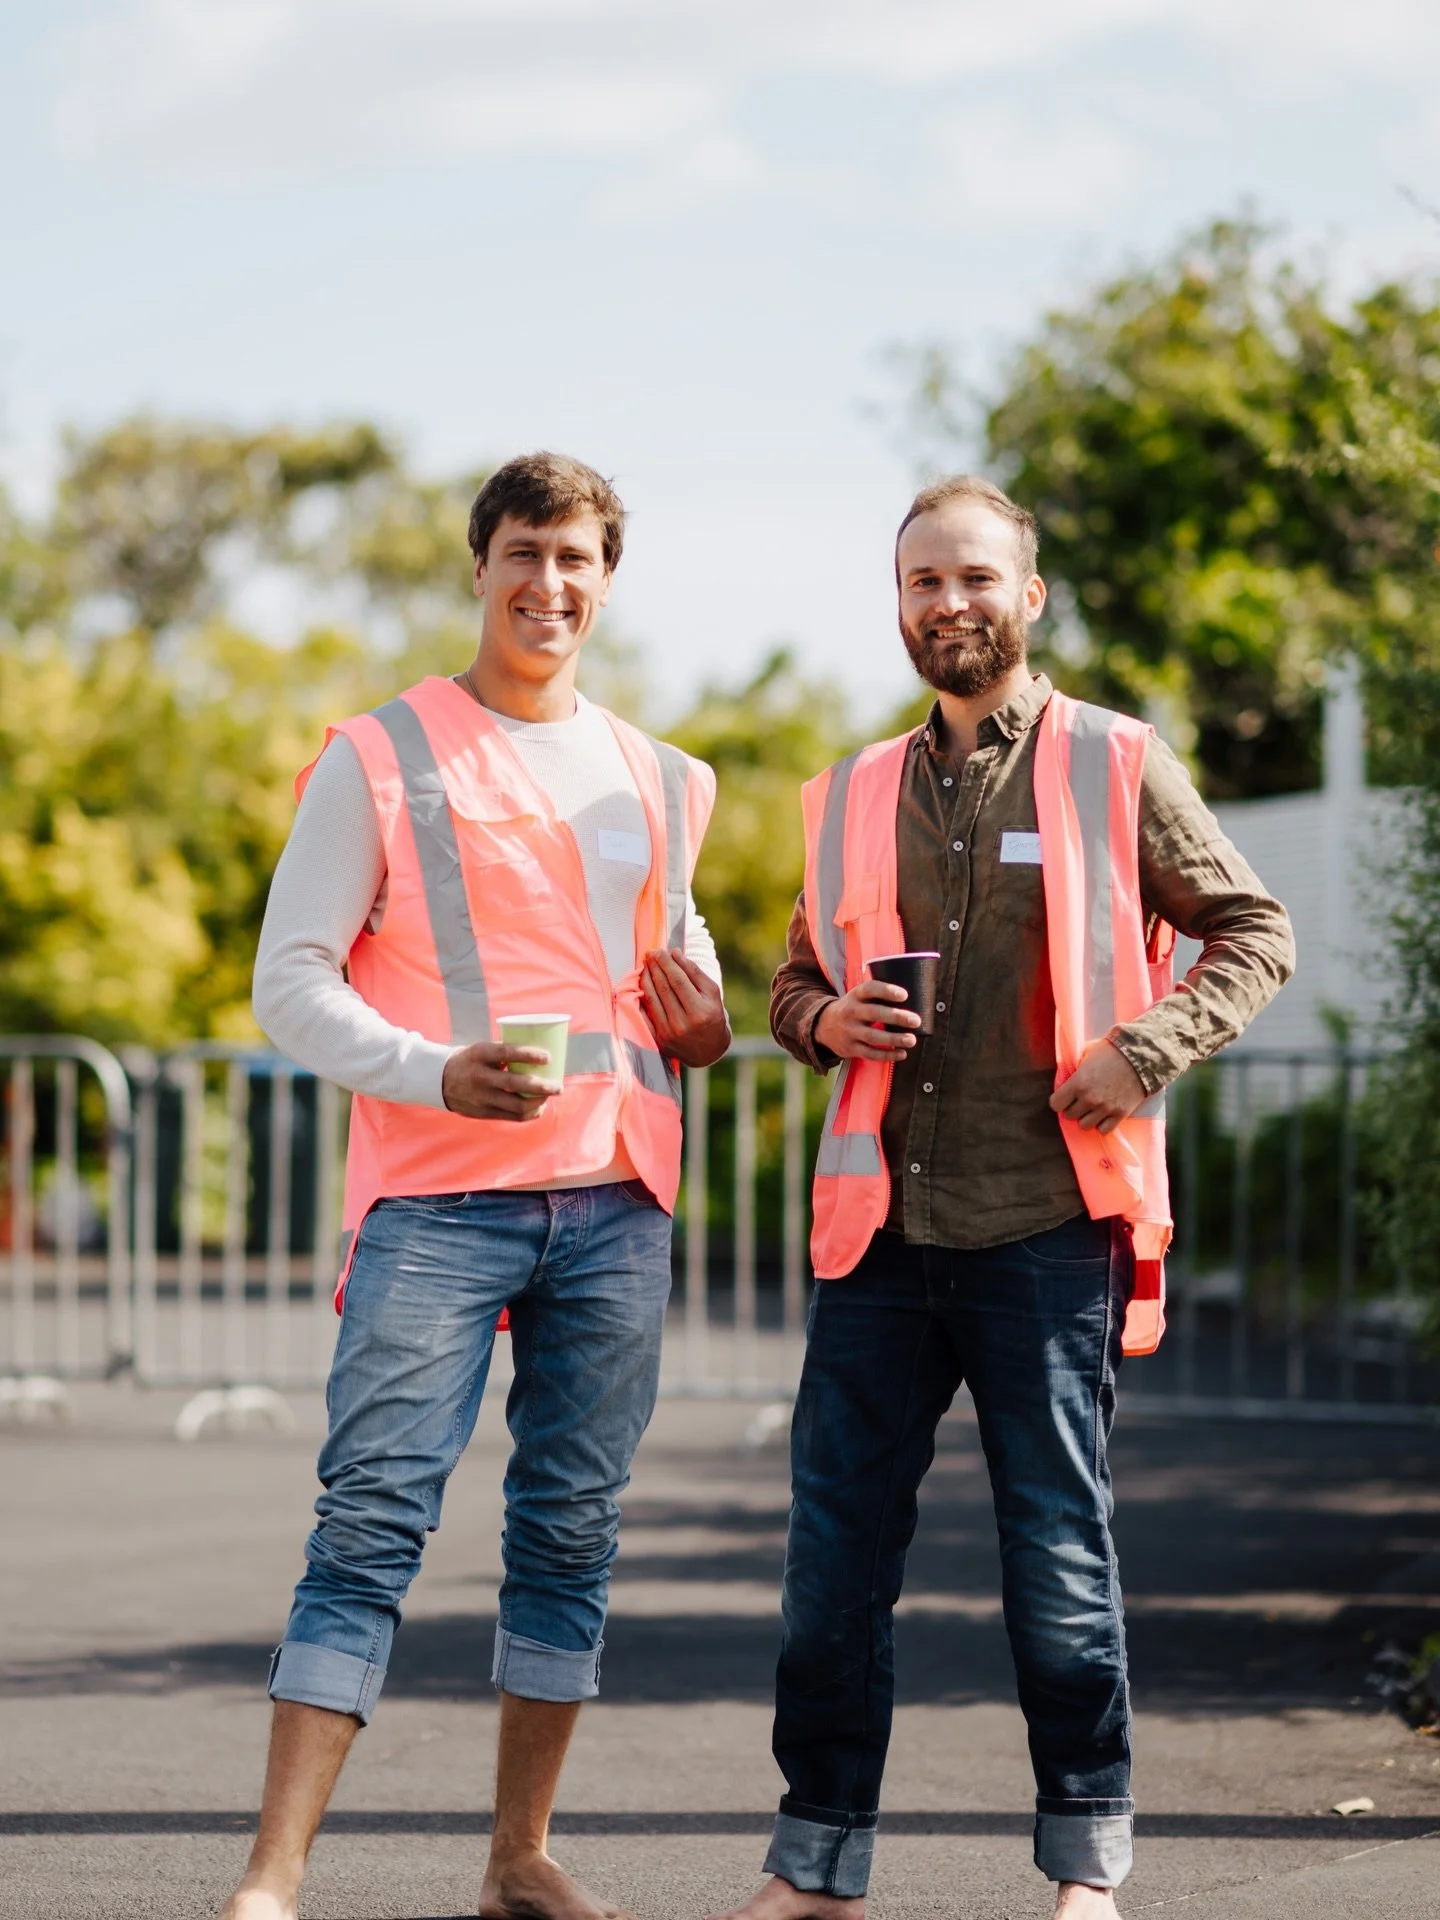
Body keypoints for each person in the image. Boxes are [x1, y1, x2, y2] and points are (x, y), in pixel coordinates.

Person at [707, 476, 1295, 1920]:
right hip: (879, 1241)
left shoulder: (1114, 761)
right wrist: (819, 1022)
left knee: (1057, 1554)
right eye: (922, 583)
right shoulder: (845, 793)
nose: (947, 605)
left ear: (1029, 598)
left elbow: (1254, 930)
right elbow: (789, 978)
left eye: (975, 579)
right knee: (832, 1567)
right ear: (897, 602)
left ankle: (1086, 1865)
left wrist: (1141, 1050)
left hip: (1048, 1226)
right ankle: (818, 1866)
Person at [220, 451, 730, 1920]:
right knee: (372, 1518)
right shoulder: (378, 755)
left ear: (608, 579)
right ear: (481, 564)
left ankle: (519, 1861)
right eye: (524, 552)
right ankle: (273, 1879)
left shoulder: (661, 776)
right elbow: (288, 984)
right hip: (442, 1196)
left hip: (616, 1199)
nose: (549, 584)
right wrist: (432, 1069)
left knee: (572, 1527)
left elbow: (669, 968)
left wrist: (700, 1023)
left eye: (577, 559)